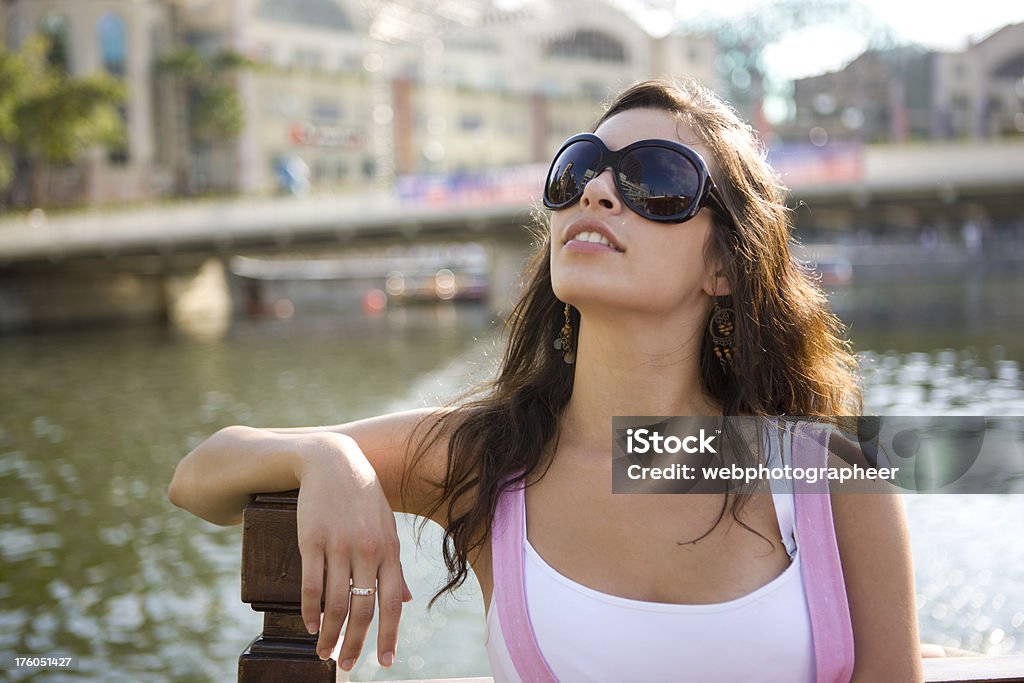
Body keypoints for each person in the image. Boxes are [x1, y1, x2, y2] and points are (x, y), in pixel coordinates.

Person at [169, 78, 923, 682]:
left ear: (724, 265)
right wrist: (323, 455)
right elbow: (198, 478)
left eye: (654, 179)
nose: (598, 192)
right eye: (579, 169)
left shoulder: (828, 477)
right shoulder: (492, 460)